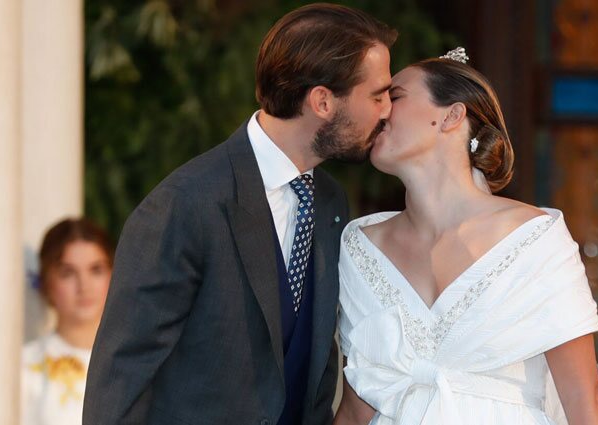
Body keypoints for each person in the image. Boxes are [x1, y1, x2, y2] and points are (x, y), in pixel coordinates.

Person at [82, 3, 396, 425]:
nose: (387, 110)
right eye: (377, 95)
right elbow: (122, 378)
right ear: (322, 100)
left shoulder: (330, 202)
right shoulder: (185, 203)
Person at [333, 49, 598, 425]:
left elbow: (582, 401)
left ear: (451, 116)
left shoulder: (535, 238)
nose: (379, 111)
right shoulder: (360, 247)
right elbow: (355, 406)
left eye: (394, 97)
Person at [22, 218, 114, 425]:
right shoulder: (25, 367)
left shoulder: (141, 361)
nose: (84, 286)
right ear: (47, 283)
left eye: (96, 270)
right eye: (68, 273)